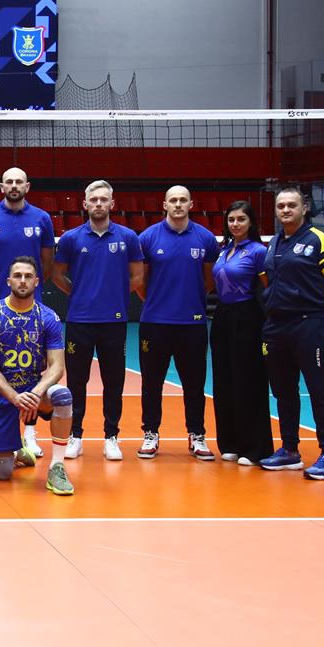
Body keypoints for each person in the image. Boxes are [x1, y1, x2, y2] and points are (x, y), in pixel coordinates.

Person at [259, 185, 324, 480]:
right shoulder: (274, 242)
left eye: (292, 205)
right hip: (277, 326)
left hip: (309, 324)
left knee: (318, 388)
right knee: (284, 390)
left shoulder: (320, 241)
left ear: (304, 208)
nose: (286, 210)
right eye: (281, 206)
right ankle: (289, 450)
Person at [49, 180, 143, 461]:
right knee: (76, 381)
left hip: (114, 321)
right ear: (85, 204)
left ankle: (111, 436)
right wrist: (78, 293)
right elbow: (56, 274)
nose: (99, 204)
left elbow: (138, 276)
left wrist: (115, 295)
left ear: (112, 204)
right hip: (80, 320)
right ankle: (75, 435)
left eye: (104, 199)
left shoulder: (128, 237)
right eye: (94, 199)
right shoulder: (71, 238)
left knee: (113, 382)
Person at [0, 167, 55, 458]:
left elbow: (47, 262)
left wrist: (27, 291)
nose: (14, 185)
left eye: (19, 181)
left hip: (31, 309)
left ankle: (30, 433)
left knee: (32, 371)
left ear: (27, 186)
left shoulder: (42, 218)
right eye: (9, 181)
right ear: (1, 186)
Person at [0, 256, 75, 496]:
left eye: (28, 276)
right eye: (17, 276)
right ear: (8, 280)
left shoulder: (48, 317)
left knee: (63, 395)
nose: (22, 281)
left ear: (37, 282)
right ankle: (15, 448)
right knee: (2, 474)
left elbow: (57, 367)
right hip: (2, 394)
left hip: (35, 390)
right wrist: (15, 397)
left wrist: (35, 393)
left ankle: (57, 466)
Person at [136, 185, 218, 460]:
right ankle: (150, 433)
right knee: (151, 383)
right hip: (154, 324)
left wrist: (189, 301)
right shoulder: (148, 237)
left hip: (192, 325)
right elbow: (140, 281)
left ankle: (197, 435)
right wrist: (157, 302)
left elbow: (208, 280)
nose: (178, 204)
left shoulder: (205, 238)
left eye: (183, 200)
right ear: (165, 204)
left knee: (194, 384)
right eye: (173, 200)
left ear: (191, 204)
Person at [209, 200, 273, 465]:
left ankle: (254, 448)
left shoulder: (258, 251)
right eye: (231, 219)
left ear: (251, 223)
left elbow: (268, 288)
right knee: (224, 380)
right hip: (222, 317)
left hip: (247, 317)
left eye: (241, 219)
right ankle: (230, 442)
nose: (235, 224)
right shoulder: (224, 250)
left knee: (248, 380)